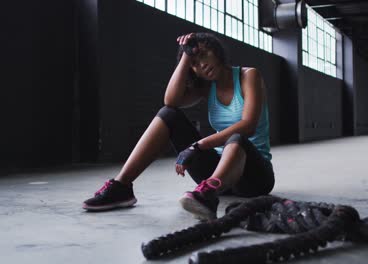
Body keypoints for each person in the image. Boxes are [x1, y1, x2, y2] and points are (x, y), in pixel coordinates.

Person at [82, 32, 275, 220]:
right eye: (195, 64)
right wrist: (185, 56)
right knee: (168, 114)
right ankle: (121, 186)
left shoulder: (248, 75)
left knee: (237, 138)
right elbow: (170, 101)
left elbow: (248, 126)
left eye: (203, 55)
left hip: (253, 177)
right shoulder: (206, 87)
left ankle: (207, 194)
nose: (202, 64)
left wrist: (198, 145)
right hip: (216, 171)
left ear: (216, 51)